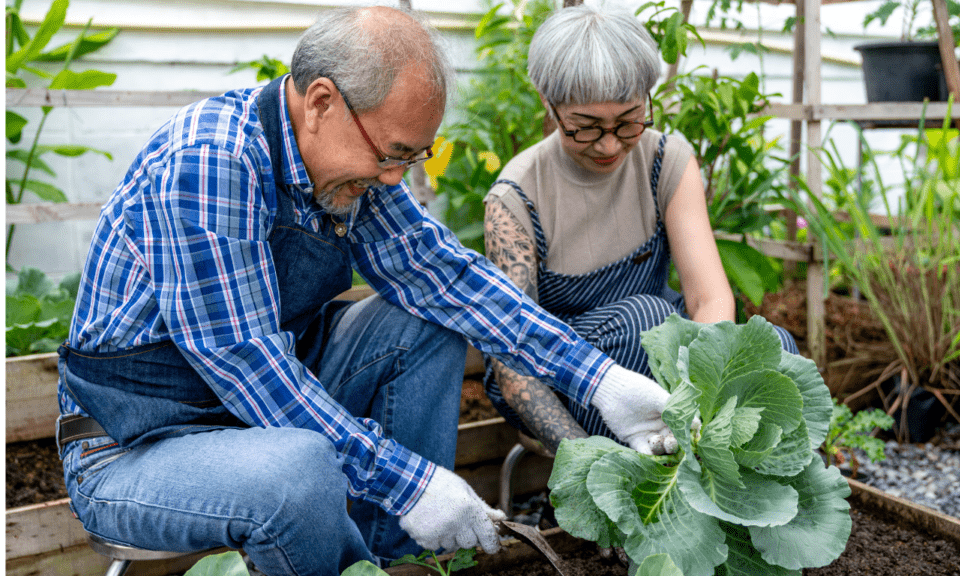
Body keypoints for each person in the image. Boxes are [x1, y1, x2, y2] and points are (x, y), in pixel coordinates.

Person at [55, 5, 680, 575]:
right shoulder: (210, 164)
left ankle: (394, 563)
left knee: (430, 318)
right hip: (139, 445)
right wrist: (408, 483)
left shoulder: (356, 162)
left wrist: (596, 378)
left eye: (411, 158)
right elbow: (248, 365)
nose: (393, 177)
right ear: (322, 101)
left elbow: (444, 276)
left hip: (260, 418)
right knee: (297, 474)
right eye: (391, 155)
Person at [482, 5, 801, 453]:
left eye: (629, 120)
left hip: (660, 358)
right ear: (547, 104)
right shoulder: (516, 198)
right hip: (566, 381)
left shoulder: (664, 161)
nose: (610, 144)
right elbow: (514, 361)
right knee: (643, 320)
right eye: (586, 127)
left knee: (775, 348)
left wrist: (701, 397)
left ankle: (734, 504)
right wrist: (581, 456)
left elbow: (708, 298)